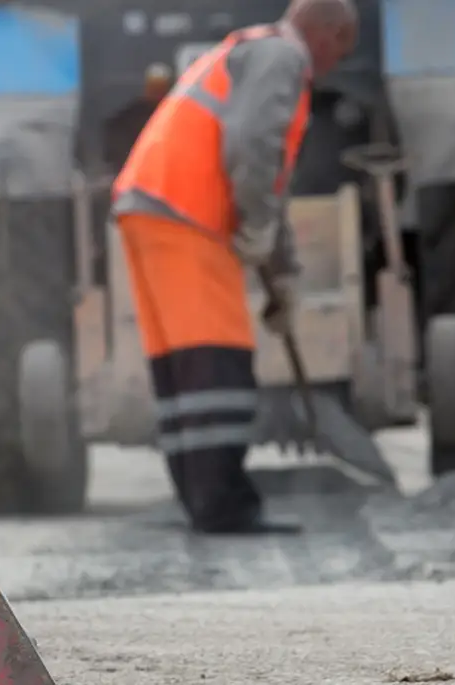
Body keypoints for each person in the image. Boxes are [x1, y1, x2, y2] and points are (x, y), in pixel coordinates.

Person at [111, 0, 358, 533]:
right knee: (217, 364)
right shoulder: (282, 57)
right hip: (187, 211)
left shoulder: (249, 51)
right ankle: (225, 505)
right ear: (330, 33)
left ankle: (201, 502)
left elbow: (267, 180)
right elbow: (251, 146)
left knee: (182, 371)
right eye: (343, 49)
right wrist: (260, 230)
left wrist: (283, 274)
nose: (335, 64)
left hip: (149, 207)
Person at [103, 63, 174, 171]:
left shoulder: (176, 115)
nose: (157, 92)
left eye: (161, 87)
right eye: (154, 87)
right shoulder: (130, 117)